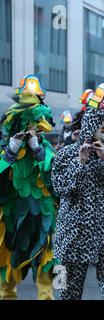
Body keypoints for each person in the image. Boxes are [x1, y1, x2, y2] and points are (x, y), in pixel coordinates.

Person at [51, 84, 104, 300]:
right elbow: (60, 187)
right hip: (72, 235)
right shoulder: (65, 155)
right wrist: (80, 163)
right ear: (90, 127)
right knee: (67, 290)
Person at [0, 75, 57, 300]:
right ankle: (7, 296)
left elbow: (55, 176)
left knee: (46, 262)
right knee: (6, 261)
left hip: (42, 212)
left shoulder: (45, 147)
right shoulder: (6, 147)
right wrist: (10, 154)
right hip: (12, 213)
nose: (30, 129)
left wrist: (39, 151)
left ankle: (47, 297)